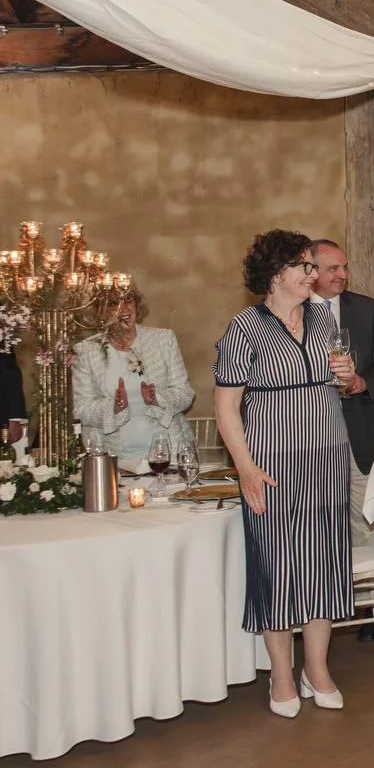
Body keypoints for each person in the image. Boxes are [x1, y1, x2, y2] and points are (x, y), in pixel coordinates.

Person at [214, 229, 354, 718]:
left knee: (323, 566)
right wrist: (246, 468)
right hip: (271, 466)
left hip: (328, 463)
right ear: (275, 274)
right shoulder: (244, 328)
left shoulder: (322, 317)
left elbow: (345, 377)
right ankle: (280, 675)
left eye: (312, 266)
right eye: (304, 266)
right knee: (277, 567)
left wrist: (346, 375)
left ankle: (317, 670)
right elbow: (226, 406)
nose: (313, 275)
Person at [309, 240, 374, 643]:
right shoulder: (290, 313)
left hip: (356, 432)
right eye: (333, 269)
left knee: (363, 516)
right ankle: (314, 603)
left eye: (344, 267)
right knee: (315, 519)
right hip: (307, 438)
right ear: (309, 271)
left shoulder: (367, 310)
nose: (342, 275)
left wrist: (363, 384)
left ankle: (366, 607)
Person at [72, 287, 195, 469]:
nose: (125, 308)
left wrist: (157, 399)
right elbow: (81, 409)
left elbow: (185, 394)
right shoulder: (86, 351)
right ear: (102, 312)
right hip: (113, 458)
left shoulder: (163, 339)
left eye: (129, 300)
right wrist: (112, 407)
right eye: (114, 304)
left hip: (166, 454)